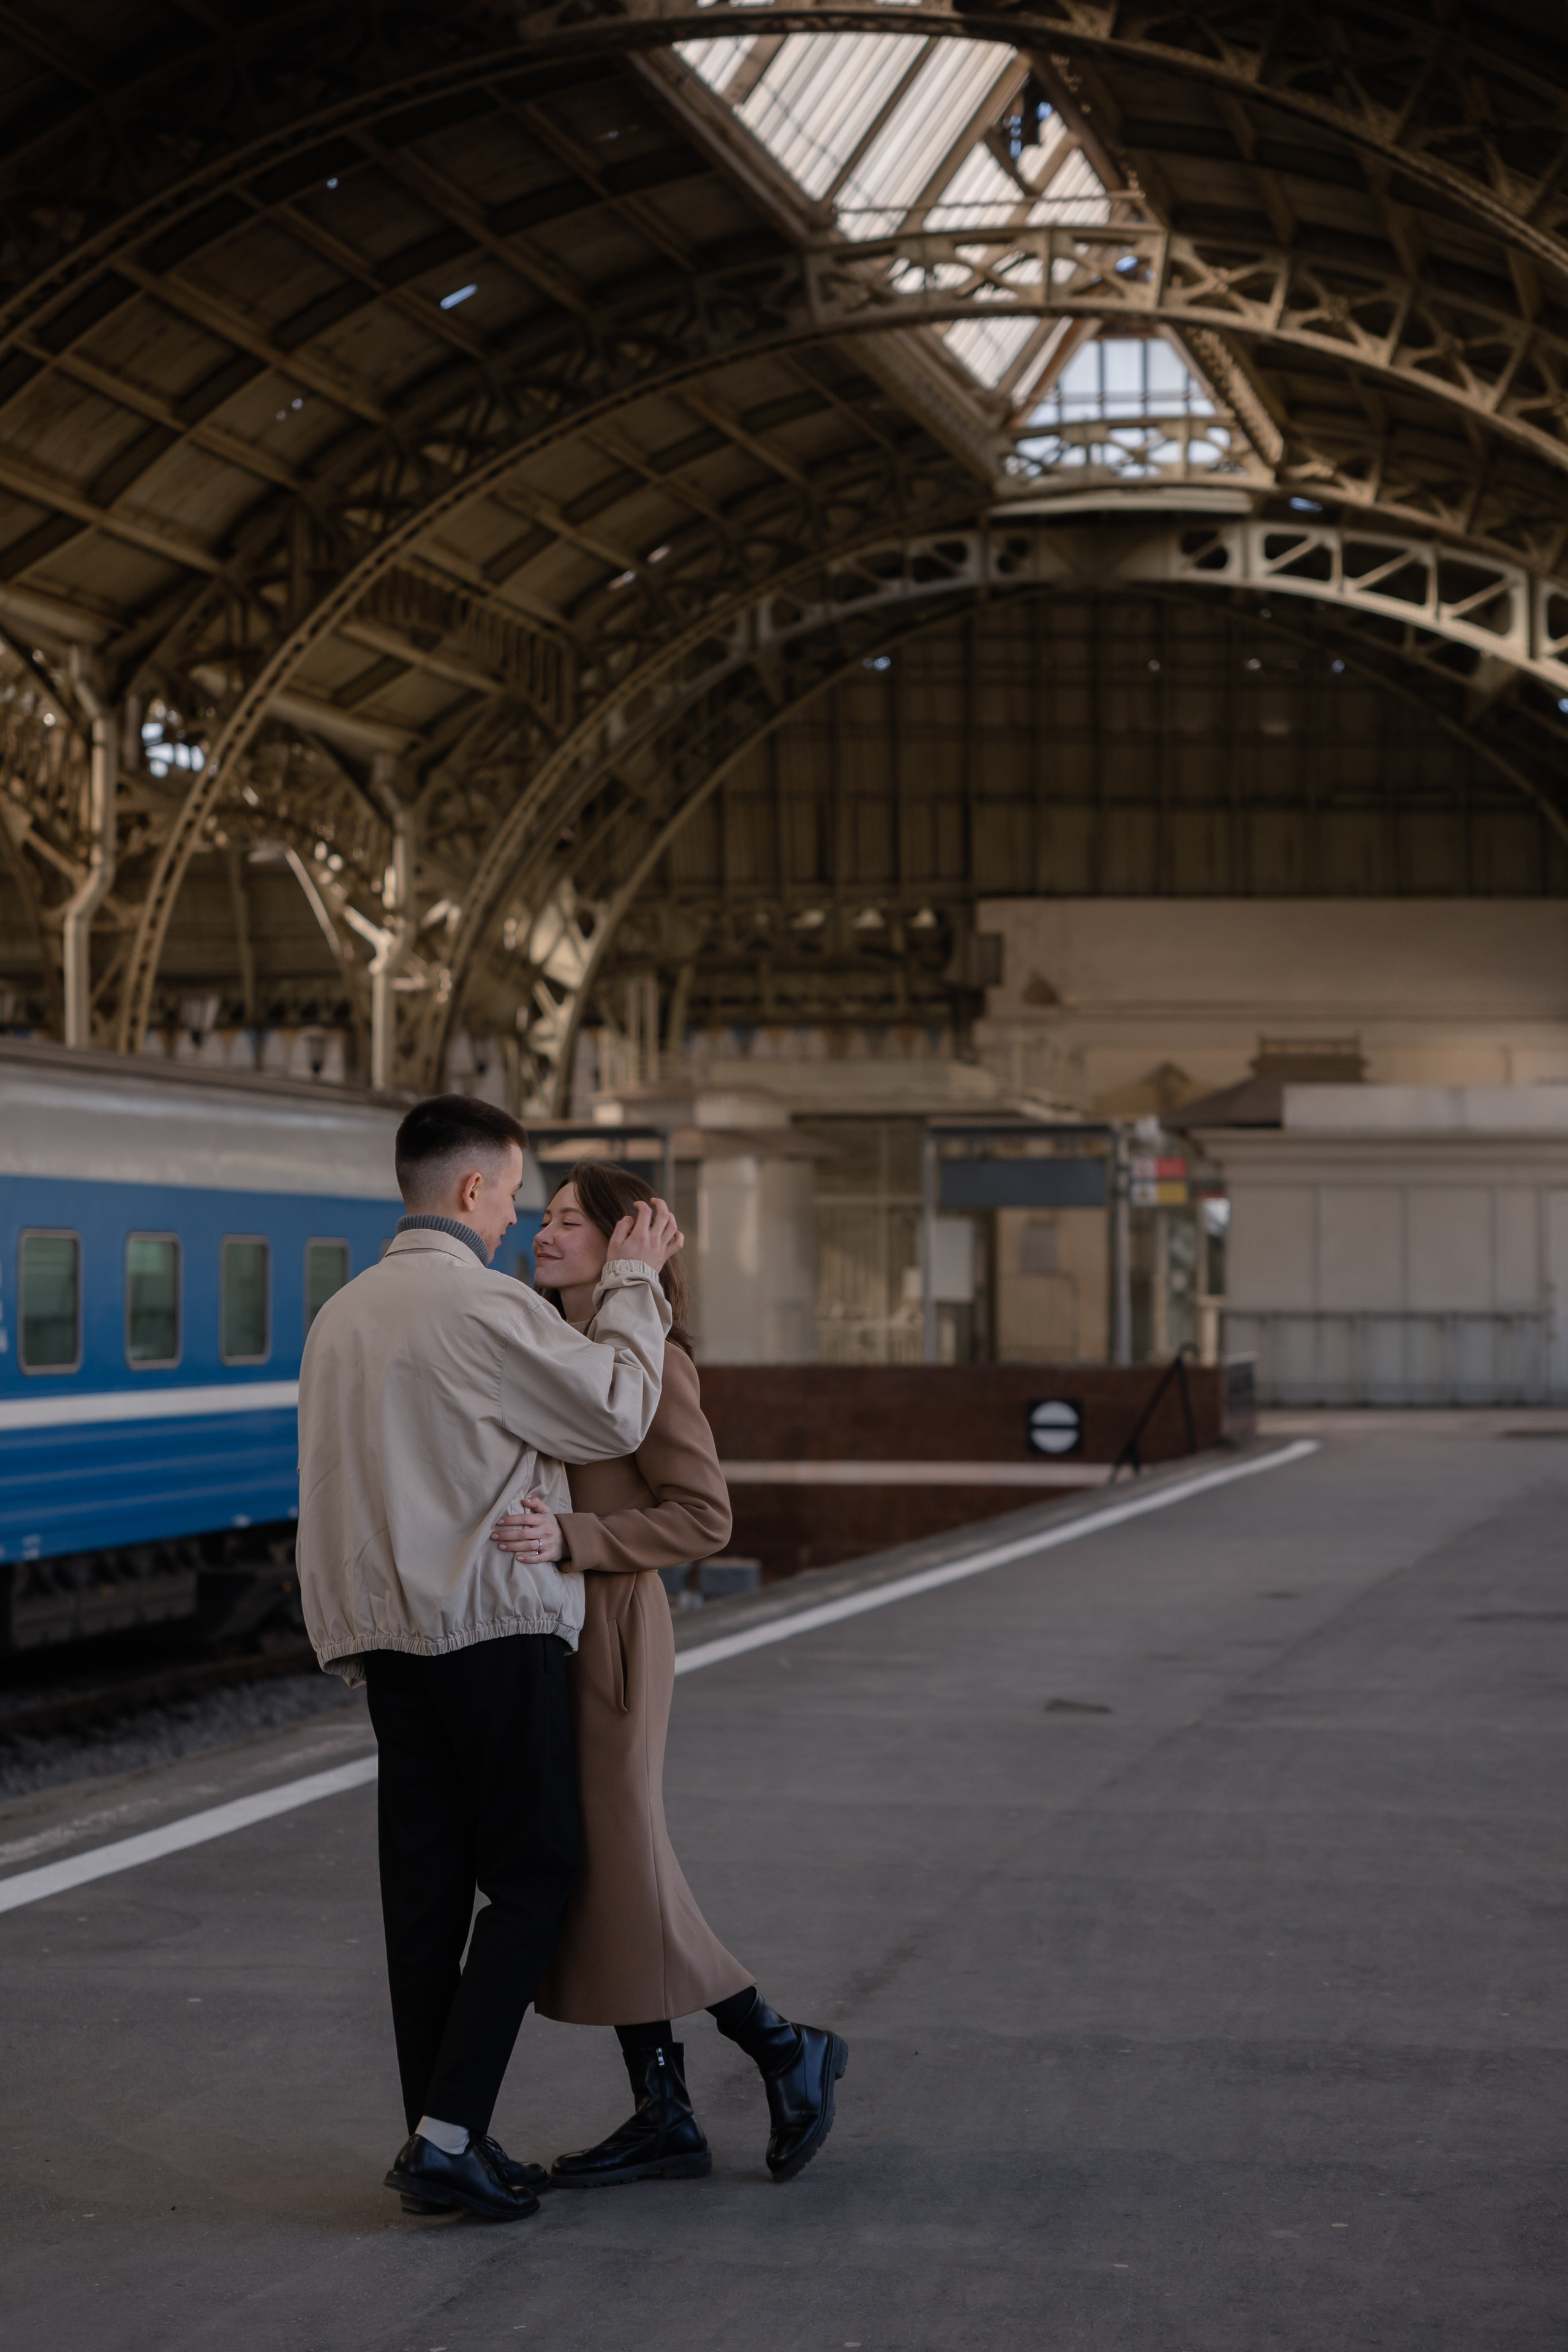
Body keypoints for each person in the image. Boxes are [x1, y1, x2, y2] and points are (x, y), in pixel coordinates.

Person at [296, 1096, 683, 2224]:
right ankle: (451, 2136)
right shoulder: (483, 1303)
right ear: (471, 1190)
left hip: (383, 1639)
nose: (517, 1217)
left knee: (423, 1892)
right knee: (538, 1869)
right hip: (487, 1626)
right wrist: (634, 1284)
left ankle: (438, 2139)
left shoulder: (341, 1316)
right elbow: (614, 1411)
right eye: (513, 1193)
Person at [492, 1161, 848, 2187]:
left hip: (611, 1636)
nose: (544, 1234)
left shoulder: (655, 1366)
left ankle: (781, 2045)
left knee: (622, 1860)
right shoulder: (545, 1342)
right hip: (551, 1627)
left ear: (624, 1246)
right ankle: (666, 2112)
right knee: (603, 1869)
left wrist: (575, 1536)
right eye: (544, 1217)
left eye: (568, 1221)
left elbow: (705, 1519)